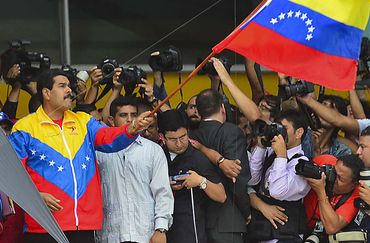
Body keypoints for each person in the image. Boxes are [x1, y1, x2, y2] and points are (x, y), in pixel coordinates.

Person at [8, 69, 153, 243]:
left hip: (84, 224)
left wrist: (133, 128)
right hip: (44, 224)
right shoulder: (24, 128)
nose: (69, 90)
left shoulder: (83, 121)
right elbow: (12, 174)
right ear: (46, 93)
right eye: (62, 86)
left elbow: (109, 139)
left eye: (69, 86)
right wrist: (36, 196)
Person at [96, 96, 173, 243]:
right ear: (111, 120)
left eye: (133, 115)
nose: (130, 119)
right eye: (124, 115)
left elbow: (162, 192)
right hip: (110, 235)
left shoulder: (153, 150)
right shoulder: (99, 151)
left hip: (146, 235)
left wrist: (161, 229)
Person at [191, 89, 251, 243]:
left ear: (198, 112)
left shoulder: (191, 136)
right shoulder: (231, 132)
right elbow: (237, 178)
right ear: (223, 108)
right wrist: (245, 210)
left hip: (196, 220)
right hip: (227, 220)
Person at [158, 109, 226, 243]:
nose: (179, 143)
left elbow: (221, 195)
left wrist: (201, 181)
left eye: (182, 137)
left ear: (188, 132)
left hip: (189, 229)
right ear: (161, 136)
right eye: (172, 139)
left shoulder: (197, 158)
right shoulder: (156, 155)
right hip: (160, 229)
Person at [247, 110, 310, 243]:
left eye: (284, 128)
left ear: (299, 132)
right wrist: (261, 146)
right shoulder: (271, 152)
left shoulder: (302, 164)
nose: (278, 132)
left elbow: (277, 191)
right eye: (276, 128)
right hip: (260, 233)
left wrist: (281, 156)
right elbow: (251, 179)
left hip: (285, 236)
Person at [303, 154, 364, 242]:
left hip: (320, 235)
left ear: (353, 185)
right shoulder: (325, 160)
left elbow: (332, 227)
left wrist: (321, 193)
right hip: (295, 219)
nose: (333, 177)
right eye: (334, 171)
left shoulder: (356, 196)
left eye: (340, 178)